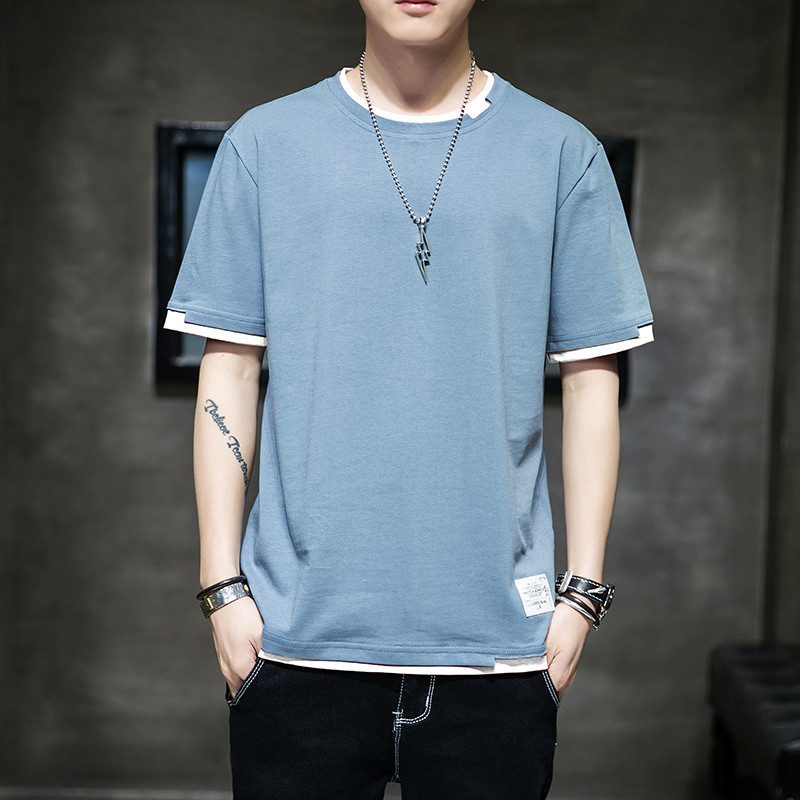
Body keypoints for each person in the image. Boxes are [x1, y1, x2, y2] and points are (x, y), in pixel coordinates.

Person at [165, 1, 653, 797]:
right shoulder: (264, 145)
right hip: (293, 648)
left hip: (500, 651)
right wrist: (222, 588)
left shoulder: (563, 153)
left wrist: (583, 593)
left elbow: (591, 378)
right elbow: (230, 367)